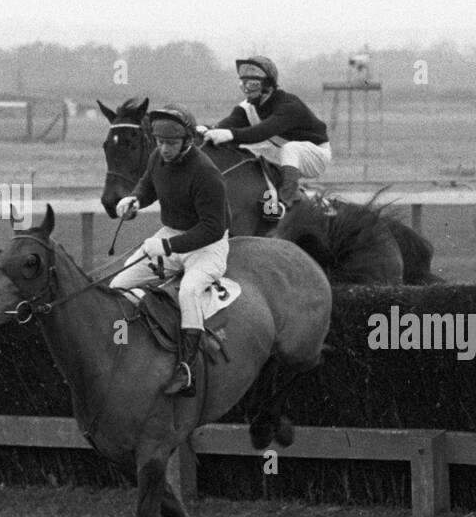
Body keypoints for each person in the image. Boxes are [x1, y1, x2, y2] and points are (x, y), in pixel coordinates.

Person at [113, 104, 230, 397]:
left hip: (207, 247)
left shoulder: (207, 174)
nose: (164, 149)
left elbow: (213, 228)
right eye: (160, 142)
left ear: (187, 141)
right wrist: (135, 200)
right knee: (118, 285)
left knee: (189, 291)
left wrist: (167, 245)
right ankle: (131, 344)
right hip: (171, 237)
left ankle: (187, 370)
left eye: (171, 143)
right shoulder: (157, 158)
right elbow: (148, 186)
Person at [201, 56, 331, 217]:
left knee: (290, 149)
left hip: (315, 155)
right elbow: (226, 124)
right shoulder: (247, 107)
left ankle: (288, 201)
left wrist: (230, 134)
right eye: (243, 83)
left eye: (253, 83)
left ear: (268, 85)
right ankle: (270, 195)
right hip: (280, 149)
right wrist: (205, 129)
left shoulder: (289, 105)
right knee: (248, 149)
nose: (247, 88)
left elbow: (263, 131)